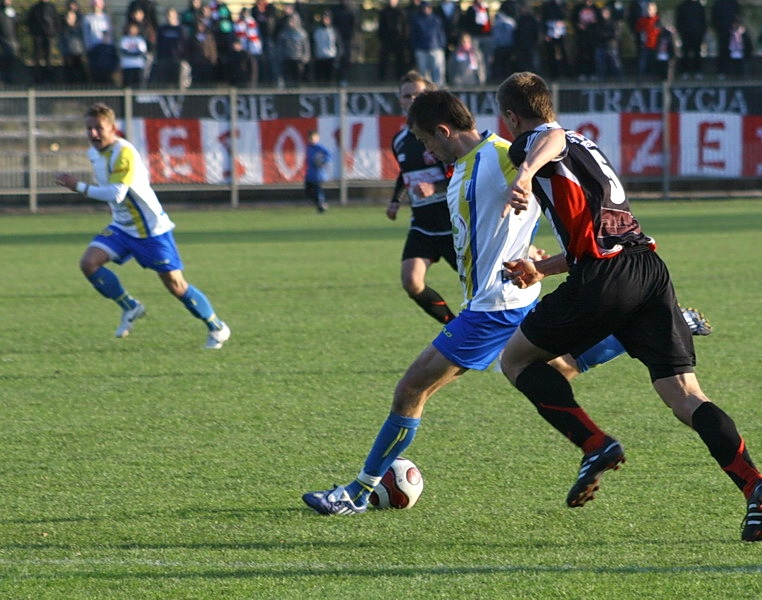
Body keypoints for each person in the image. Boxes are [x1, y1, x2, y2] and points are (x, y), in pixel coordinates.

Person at [300, 89, 705, 517]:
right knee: (555, 369)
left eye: (425, 140)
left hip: (494, 306)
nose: (426, 150)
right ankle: (646, 331)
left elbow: (554, 140)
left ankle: (356, 493)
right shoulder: (462, 167)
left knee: (411, 390)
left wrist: (528, 172)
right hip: (508, 294)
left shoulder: (504, 154)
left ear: (443, 130)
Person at [494, 72, 762, 542]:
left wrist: (523, 173)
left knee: (517, 359)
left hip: (605, 281)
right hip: (647, 270)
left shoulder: (537, 141)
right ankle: (754, 484)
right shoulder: (585, 144)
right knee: (686, 397)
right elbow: (599, 238)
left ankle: (595, 444)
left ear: (510, 116)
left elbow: (551, 136)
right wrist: (543, 269)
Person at [55, 103, 231, 350]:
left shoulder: (124, 153)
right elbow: (114, 199)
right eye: (89, 129)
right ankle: (130, 306)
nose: (93, 134)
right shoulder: (94, 153)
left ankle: (217, 327)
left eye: (99, 128)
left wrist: (78, 186)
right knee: (88, 263)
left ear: (112, 128)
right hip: (122, 228)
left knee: (176, 285)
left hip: (151, 231)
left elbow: (117, 194)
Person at [387, 71, 456, 325]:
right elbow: (404, 172)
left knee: (482, 289)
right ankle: (454, 327)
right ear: (401, 101)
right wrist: (396, 199)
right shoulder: (400, 140)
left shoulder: (444, 135)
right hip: (423, 225)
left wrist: (435, 187)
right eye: (407, 95)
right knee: (412, 282)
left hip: (454, 225)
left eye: (418, 94)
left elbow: (464, 174)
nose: (412, 99)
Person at [676, 0, 707, 78]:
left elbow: (703, 20)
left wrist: (701, 31)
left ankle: (697, 70)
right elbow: (679, 21)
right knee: (686, 52)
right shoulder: (682, 6)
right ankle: (685, 71)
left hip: (696, 34)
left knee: (697, 52)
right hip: (686, 34)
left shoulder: (699, 6)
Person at [305, 130, 332, 212]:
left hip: (318, 173)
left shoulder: (319, 147)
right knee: (308, 191)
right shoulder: (309, 147)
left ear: (317, 138)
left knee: (317, 190)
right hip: (310, 173)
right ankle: (322, 204)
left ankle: (321, 205)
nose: (311, 140)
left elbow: (329, 155)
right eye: (310, 138)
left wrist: (323, 161)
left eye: (313, 138)